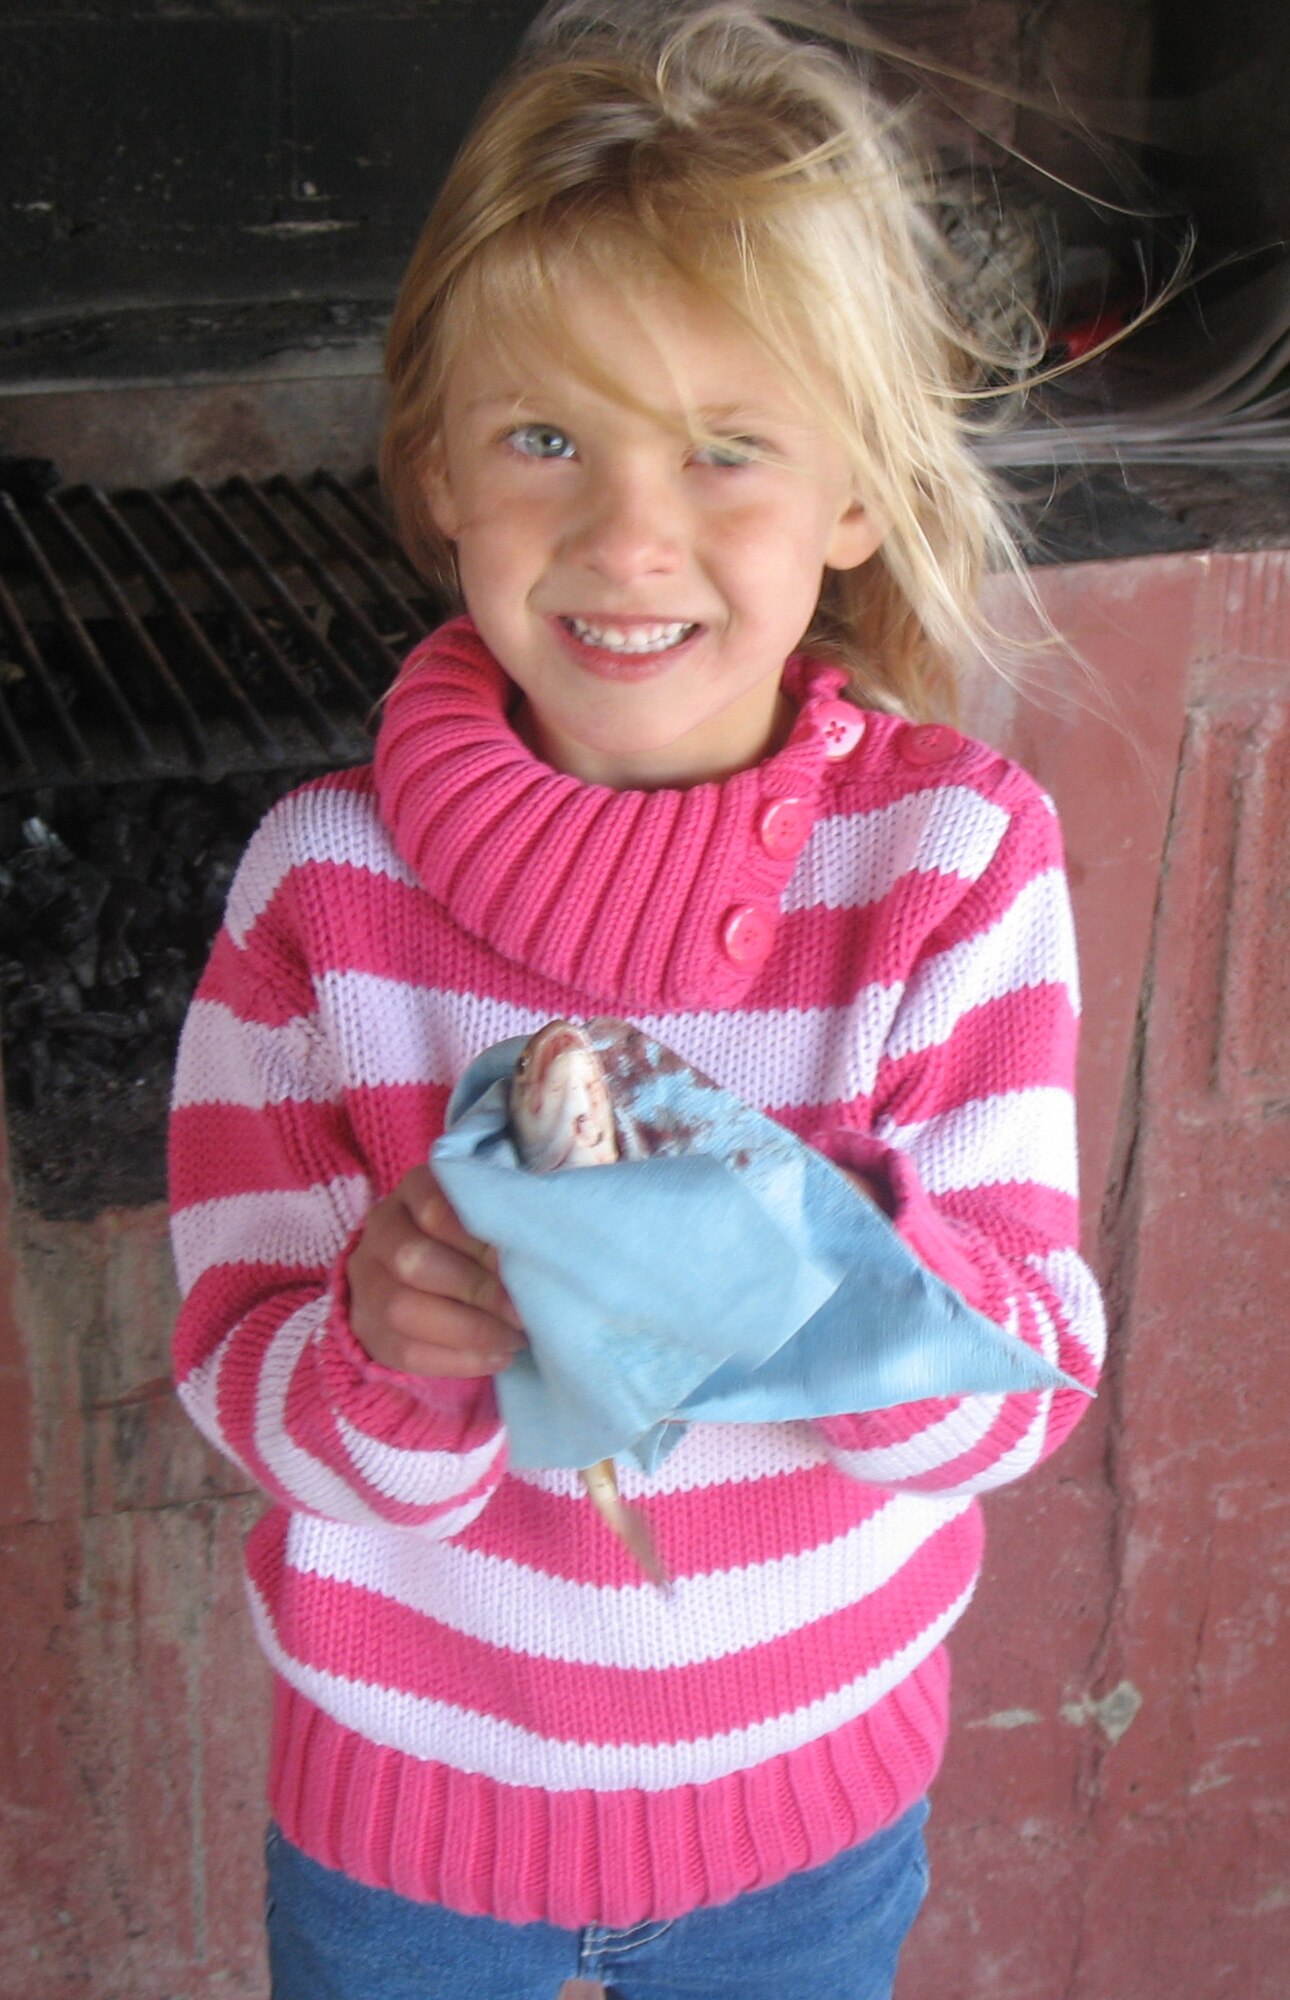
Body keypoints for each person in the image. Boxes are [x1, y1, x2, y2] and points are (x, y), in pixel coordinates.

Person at [168, 4, 1105, 1995]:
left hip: (810, 1821)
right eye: (545, 438)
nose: (626, 534)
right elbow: (239, 1374)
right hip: (410, 1828)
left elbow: (1032, 1378)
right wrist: (388, 1345)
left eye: (726, 448)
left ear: (854, 488)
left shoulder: (955, 871)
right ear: (436, 468)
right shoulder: (318, 897)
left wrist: (829, 1254)